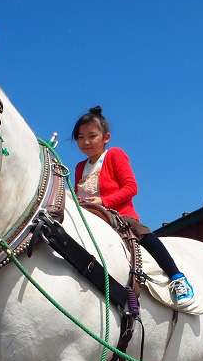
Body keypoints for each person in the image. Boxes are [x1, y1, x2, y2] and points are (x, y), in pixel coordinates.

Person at [72, 106, 194, 305]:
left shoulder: (114, 155)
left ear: (106, 137)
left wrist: (104, 202)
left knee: (141, 231)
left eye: (92, 135)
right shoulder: (79, 167)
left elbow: (131, 187)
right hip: (90, 218)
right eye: (80, 137)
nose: (86, 141)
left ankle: (176, 275)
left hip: (118, 214)